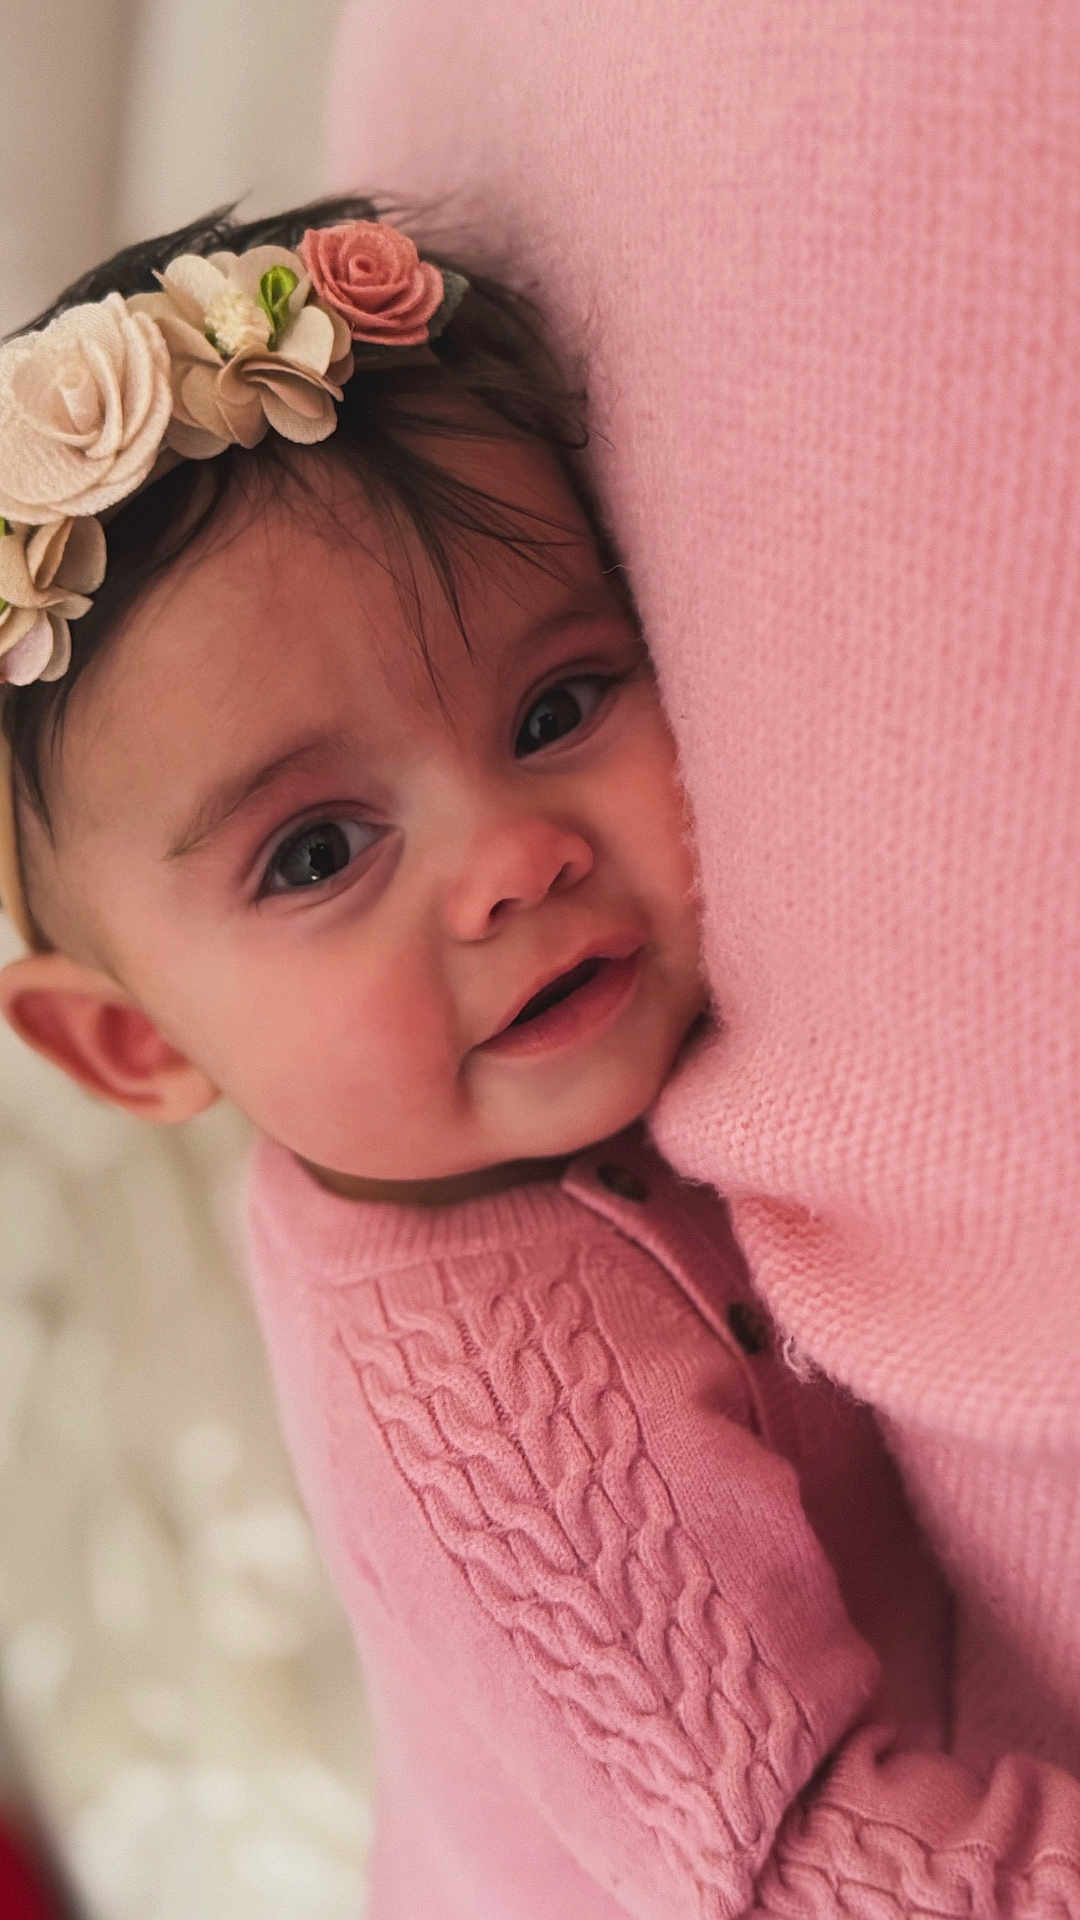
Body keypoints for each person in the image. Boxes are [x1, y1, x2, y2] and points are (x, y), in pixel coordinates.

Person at [0, 198, 1076, 1917]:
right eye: (318, 852)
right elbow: (801, 1865)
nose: (511, 860)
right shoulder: (490, 1397)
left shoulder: (517, 1085)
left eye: (556, 709)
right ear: (132, 1043)